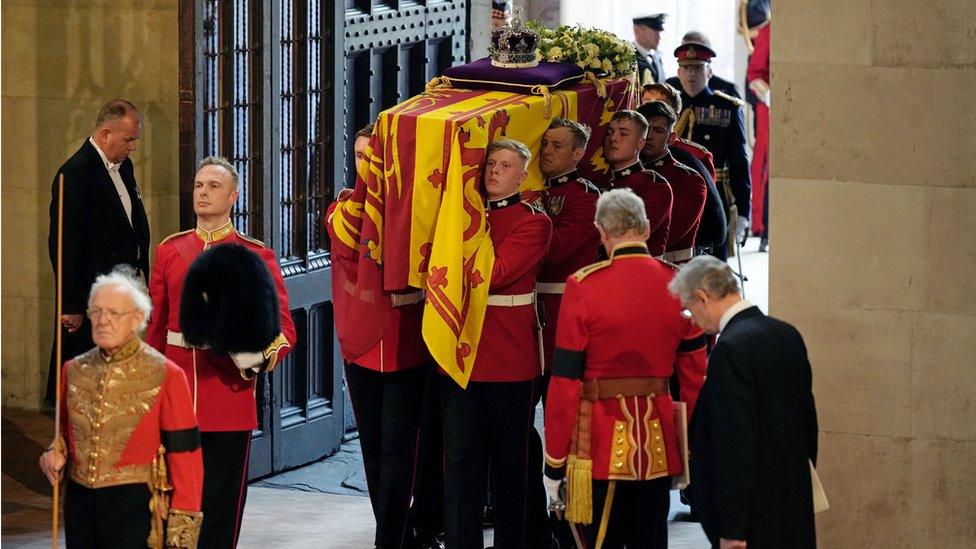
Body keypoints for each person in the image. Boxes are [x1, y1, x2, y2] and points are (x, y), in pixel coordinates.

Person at [146, 156, 296, 548]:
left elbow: (283, 332)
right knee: (173, 500)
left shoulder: (254, 254)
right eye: (198, 185)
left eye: (213, 186)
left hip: (227, 396)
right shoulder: (169, 250)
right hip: (176, 395)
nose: (203, 193)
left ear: (233, 195)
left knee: (220, 507)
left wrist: (249, 357)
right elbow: (154, 327)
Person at [543, 189, 707, 548]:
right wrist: (692, 444)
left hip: (600, 442)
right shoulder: (680, 283)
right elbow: (696, 377)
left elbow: (566, 384)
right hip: (661, 440)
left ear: (601, 232)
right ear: (647, 228)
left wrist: (554, 461)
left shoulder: (583, 286)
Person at [327, 123, 438, 549]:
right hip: (362, 341)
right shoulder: (344, 209)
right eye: (360, 157)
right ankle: (393, 532)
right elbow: (353, 236)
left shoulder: (417, 209)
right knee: (373, 446)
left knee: (403, 446)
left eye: (375, 157)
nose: (366, 165)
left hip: (407, 339)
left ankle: (397, 534)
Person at [39, 267, 203, 548]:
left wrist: (181, 535)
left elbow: (185, 457)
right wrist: (53, 454)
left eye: (114, 314)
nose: (103, 321)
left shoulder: (166, 374)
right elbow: (66, 435)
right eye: (96, 312)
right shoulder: (73, 370)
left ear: (137, 318)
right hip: (79, 506)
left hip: (136, 508)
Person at [441, 139, 551, 549]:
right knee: (461, 466)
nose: (494, 171)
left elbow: (498, 272)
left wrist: (466, 236)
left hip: (508, 359)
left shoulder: (533, 221)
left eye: (505, 166)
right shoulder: (461, 216)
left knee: (511, 467)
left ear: (523, 177)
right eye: (491, 164)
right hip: (461, 354)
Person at [668, 256, 819, 549]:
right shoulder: (787, 334)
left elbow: (735, 443)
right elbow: (808, 424)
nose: (694, 320)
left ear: (703, 297)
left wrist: (732, 528)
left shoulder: (731, 348)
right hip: (792, 503)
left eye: (690, 310)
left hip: (753, 520)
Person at [46, 99, 150, 407]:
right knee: (85, 390)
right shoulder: (75, 175)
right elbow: (63, 244)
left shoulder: (125, 167)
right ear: (105, 134)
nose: (133, 147)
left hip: (122, 293)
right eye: (128, 139)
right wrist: (70, 304)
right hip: (91, 299)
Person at [673, 43, 751, 260]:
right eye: (686, 68)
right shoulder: (668, 107)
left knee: (714, 263)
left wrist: (744, 210)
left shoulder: (727, 108)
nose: (691, 74)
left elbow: (739, 160)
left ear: (709, 72)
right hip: (675, 193)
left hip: (715, 194)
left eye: (697, 68)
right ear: (678, 72)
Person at [640, 83, 728, 255]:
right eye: (646, 104)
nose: (650, 135)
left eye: (660, 105)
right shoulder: (625, 157)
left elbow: (703, 216)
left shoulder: (692, 161)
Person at [637, 100, 706, 265]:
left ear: (671, 138)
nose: (649, 136)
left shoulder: (690, 180)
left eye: (658, 130)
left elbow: (669, 234)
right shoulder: (624, 171)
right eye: (644, 129)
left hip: (672, 272)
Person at [603, 110, 672, 256]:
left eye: (623, 133)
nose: (613, 139)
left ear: (641, 142)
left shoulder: (655, 186)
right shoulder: (600, 179)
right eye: (610, 132)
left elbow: (630, 236)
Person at [746, 18, 771, 252]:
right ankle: (763, 226)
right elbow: (754, 74)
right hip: (771, 107)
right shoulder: (770, 30)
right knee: (766, 165)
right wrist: (768, 94)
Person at [665, 32, 740, 100]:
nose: (691, 53)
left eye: (698, 47)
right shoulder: (670, 86)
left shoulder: (727, 88)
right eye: (685, 47)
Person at [633, 14, 667, 86]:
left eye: (659, 33)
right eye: (655, 32)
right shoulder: (629, 57)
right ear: (638, 30)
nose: (659, 37)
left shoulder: (655, 58)